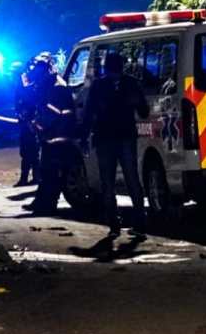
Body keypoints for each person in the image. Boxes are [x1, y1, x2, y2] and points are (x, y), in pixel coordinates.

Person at [82, 51, 150, 237]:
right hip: (126, 136)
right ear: (122, 66)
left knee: (108, 183)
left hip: (104, 138)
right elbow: (144, 111)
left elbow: (89, 113)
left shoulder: (98, 85)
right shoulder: (131, 83)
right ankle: (140, 224)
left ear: (106, 67)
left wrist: (84, 137)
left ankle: (114, 225)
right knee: (132, 180)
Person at [23, 58, 78, 215]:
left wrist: (37, 124)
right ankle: (41, 201)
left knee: (52, 171)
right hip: (52, 135)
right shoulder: (50, 85)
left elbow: (53, 113)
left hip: (58, 135)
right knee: (46, 170)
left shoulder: (55, 87)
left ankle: (47, 205)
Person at [13, 62, 40, 186]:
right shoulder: (23, 86)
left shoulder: (28, 85)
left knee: (31, 150)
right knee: (29, 151)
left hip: (31, 122)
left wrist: (27, 117)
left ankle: (32, 177)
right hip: (27, 121)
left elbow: (29, 103)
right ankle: (31, 177)